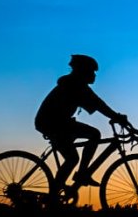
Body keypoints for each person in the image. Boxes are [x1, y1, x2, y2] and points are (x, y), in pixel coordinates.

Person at [34, 54, 128, 191]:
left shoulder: (74, 84)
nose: (94, 75)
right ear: (84, 71)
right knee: (91, 138)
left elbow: (98, 103)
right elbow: (99, 104)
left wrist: (116, 116)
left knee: (73, 156)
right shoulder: (76, 85)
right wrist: (117, 117)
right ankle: (78, 177)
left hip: (54, 122)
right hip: (53, 123)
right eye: (92, 72)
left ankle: (60, 187)